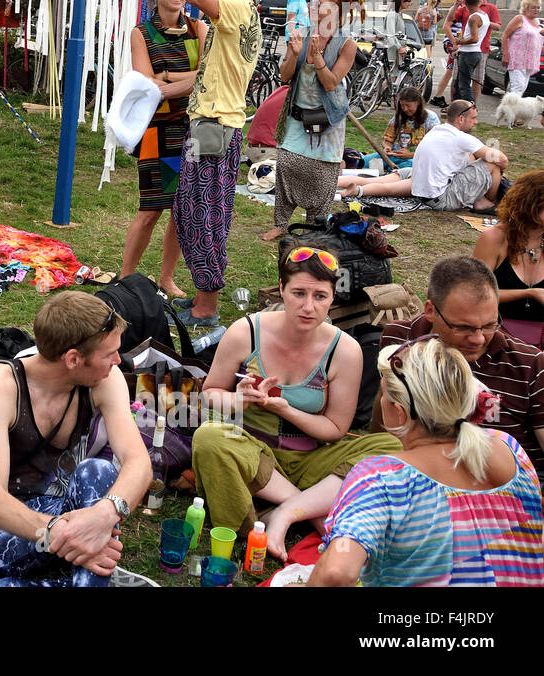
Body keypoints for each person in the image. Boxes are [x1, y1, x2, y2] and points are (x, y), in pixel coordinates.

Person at [191, 246, 402, 559]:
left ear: (333, 297)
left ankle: (285, 511)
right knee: (209, 437)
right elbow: (209, 394)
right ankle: (310, 507)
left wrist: (286, 409)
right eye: (298, 293)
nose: (308, 307)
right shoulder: (246, 332)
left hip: (311, 460)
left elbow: (334, 429)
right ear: (281, 289)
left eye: (320, 296)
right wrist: (239, 400)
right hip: (249, 451)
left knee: (394, 447)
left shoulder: (344, 350)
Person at [0, 291, 152, 587]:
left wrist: (104, 514)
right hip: (19, 521)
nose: (118, 359)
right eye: (109, 354)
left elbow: (138, 462)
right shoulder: (2, 387)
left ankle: (89, 576)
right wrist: (60, 533)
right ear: (73, 359)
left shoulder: (105, 379)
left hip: (78, 514)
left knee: (97, 471)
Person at [120, 0, 260, 328]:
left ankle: (207, 306)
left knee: (205, 214)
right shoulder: (229, 12)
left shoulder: (234, 6)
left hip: (214, 126)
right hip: (208, 126)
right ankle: (201, 299)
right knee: (188, 211)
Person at [310, 337, 542, 586]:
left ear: (399, 413)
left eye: (383, 396)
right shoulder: (509, 446)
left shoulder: (381, 476)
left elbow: (335, 572)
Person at [376, 255, 544, 477]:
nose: (478, 339)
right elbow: (385, 422)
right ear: (430, 310)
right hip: (416, 477)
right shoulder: (400, 340)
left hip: (502, 486)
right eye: (463, 327)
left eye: (489, 325)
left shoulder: (530, 363)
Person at [121, 0, 209, 298]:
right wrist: (191, 77)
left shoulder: (198, 28)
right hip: (157, 130)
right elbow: (146, 86)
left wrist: (169, 77)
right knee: (151, 208)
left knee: (182, 207)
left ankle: (166, 277)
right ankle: (126, 278)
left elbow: (208, 77)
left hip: (195, 129)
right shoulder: (141, 34)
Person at [262, 0, 358, 242]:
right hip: (297, 113)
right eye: (313, 3)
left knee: (322, 177)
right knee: (286, 165)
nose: (312, 7)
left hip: (327, 118)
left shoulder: (346, 44)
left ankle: (313, 227)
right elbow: (284, 77)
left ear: (335, 11)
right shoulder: (301, 34)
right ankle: (281, 223)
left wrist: (318, 61)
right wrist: (293, 55)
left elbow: (330, 82)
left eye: (319, 4)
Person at [338, 100, 507, 211]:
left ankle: (341, 183)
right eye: (474, 118)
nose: (476, 122)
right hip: (435, 196)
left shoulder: (437, 129)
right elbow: (500, 159)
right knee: (493, 164)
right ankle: (486, 202)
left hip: (419, 182)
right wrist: (501, 168)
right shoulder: (461, 138)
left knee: (379, 182)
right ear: (461, 119)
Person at [474, 170, 544, 347]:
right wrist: (529, 293)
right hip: (496, 336)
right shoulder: (495, 239)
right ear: (532, 203)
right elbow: (474, 295)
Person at [358, 85, 438, 171]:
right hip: (396, 155)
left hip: (418, 158)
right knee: (362, 162)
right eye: (402, 105)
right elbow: (388, 140)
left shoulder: (431, 119)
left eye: (408, 105)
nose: (405, 109)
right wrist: (387, 147)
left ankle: (393, 170)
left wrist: (411, 154)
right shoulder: (398, 117)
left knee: (408, 166)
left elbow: (434, 148)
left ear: (418, 102)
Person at [430, 0, 471, 107]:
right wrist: (454, 43)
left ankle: (438, 95)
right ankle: (439, 96)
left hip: (458, 43)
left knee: (450, 70)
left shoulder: (466, 8)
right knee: (451, 71)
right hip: (453, 43)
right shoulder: (457, 8)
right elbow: (446, 25)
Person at [501, 0, 543, 95]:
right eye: (533, 7)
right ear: (526, 8)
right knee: (518, 86)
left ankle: (508, 108)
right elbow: (505, 35)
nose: (536, 10)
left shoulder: (537, 22)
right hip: (518, 59)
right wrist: (505, 54)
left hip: (531, 60)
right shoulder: (519, 18)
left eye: (538, 7)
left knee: (523, 87)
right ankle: (511, 109)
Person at [453, 0, 489, 103]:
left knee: (464, 85)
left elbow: (474, 39)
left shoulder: (474, 18)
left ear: (465, 3)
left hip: (469, 54)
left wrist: (460, 41)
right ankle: (457, 107)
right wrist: (460, 49)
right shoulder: (484, 15)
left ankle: (470, 109)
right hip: (473, 52)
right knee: (458, 83)